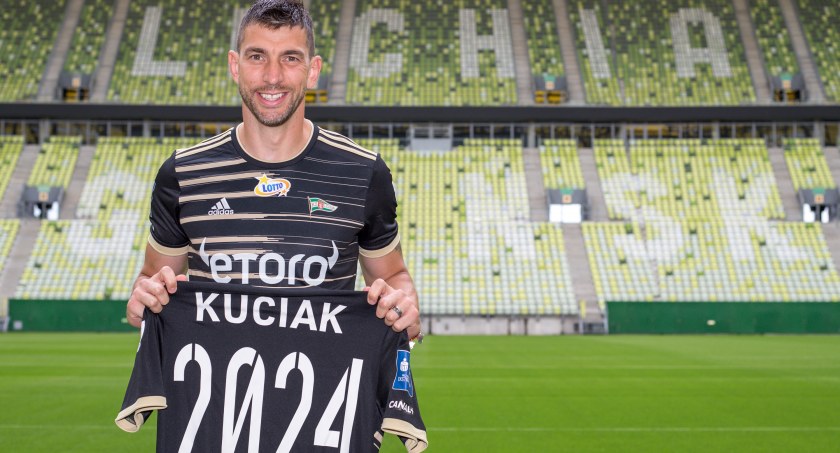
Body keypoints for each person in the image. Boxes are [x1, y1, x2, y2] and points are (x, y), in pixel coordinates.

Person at [126, 0, 421, 342]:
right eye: (257, 56)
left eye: (290, 58)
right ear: (235, 66)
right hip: (214, 376)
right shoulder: (182, 173)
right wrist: (142, 298)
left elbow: (393, 277)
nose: (272, 76)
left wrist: (404, 306)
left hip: (322, 375)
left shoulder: (363, 172)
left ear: (313, 70)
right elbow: (152, 279)